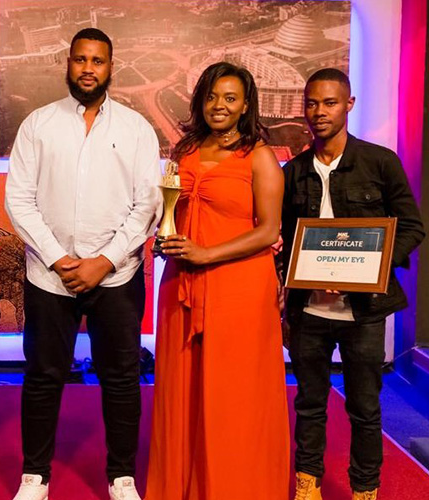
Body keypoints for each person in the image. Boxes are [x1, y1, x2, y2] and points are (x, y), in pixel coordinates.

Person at [5, 28, 161, 500]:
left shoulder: (136, 129)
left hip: (118, 276)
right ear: (67, 64)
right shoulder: (38, 123)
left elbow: (148, 205)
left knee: (120, 378)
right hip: (49, 277)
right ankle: (35, 476)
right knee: (43, 376)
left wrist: (104, 261)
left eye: (98, 60)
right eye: (80, 60)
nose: (88, 68)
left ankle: (121, 477)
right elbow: (19, 199)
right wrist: (58, 258)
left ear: (111, 67)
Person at [145, 61, 290, 500]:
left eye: (230, 98)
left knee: (235, 394)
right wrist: (164, 239)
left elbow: (268, 231)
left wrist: (207, 253)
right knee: (182, 390)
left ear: (246, 104)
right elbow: (173, 212)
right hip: (181, 283)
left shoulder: (260, 156)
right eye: (211, 96)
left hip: (239, 286)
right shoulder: (185, 151)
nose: (219, 106)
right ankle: (184, 486)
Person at [283, 68, 424, 500]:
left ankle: (366, 489)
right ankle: (307, 487)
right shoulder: (293, 172)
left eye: (328, 103)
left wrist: (374, 268)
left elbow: (413, 228)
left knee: (364, 408)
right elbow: (284, 241)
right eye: (311, 103)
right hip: (308, 310)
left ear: (349, 104)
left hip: (364, 312)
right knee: (309, 404)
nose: (318, 112)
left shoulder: (380, 162)